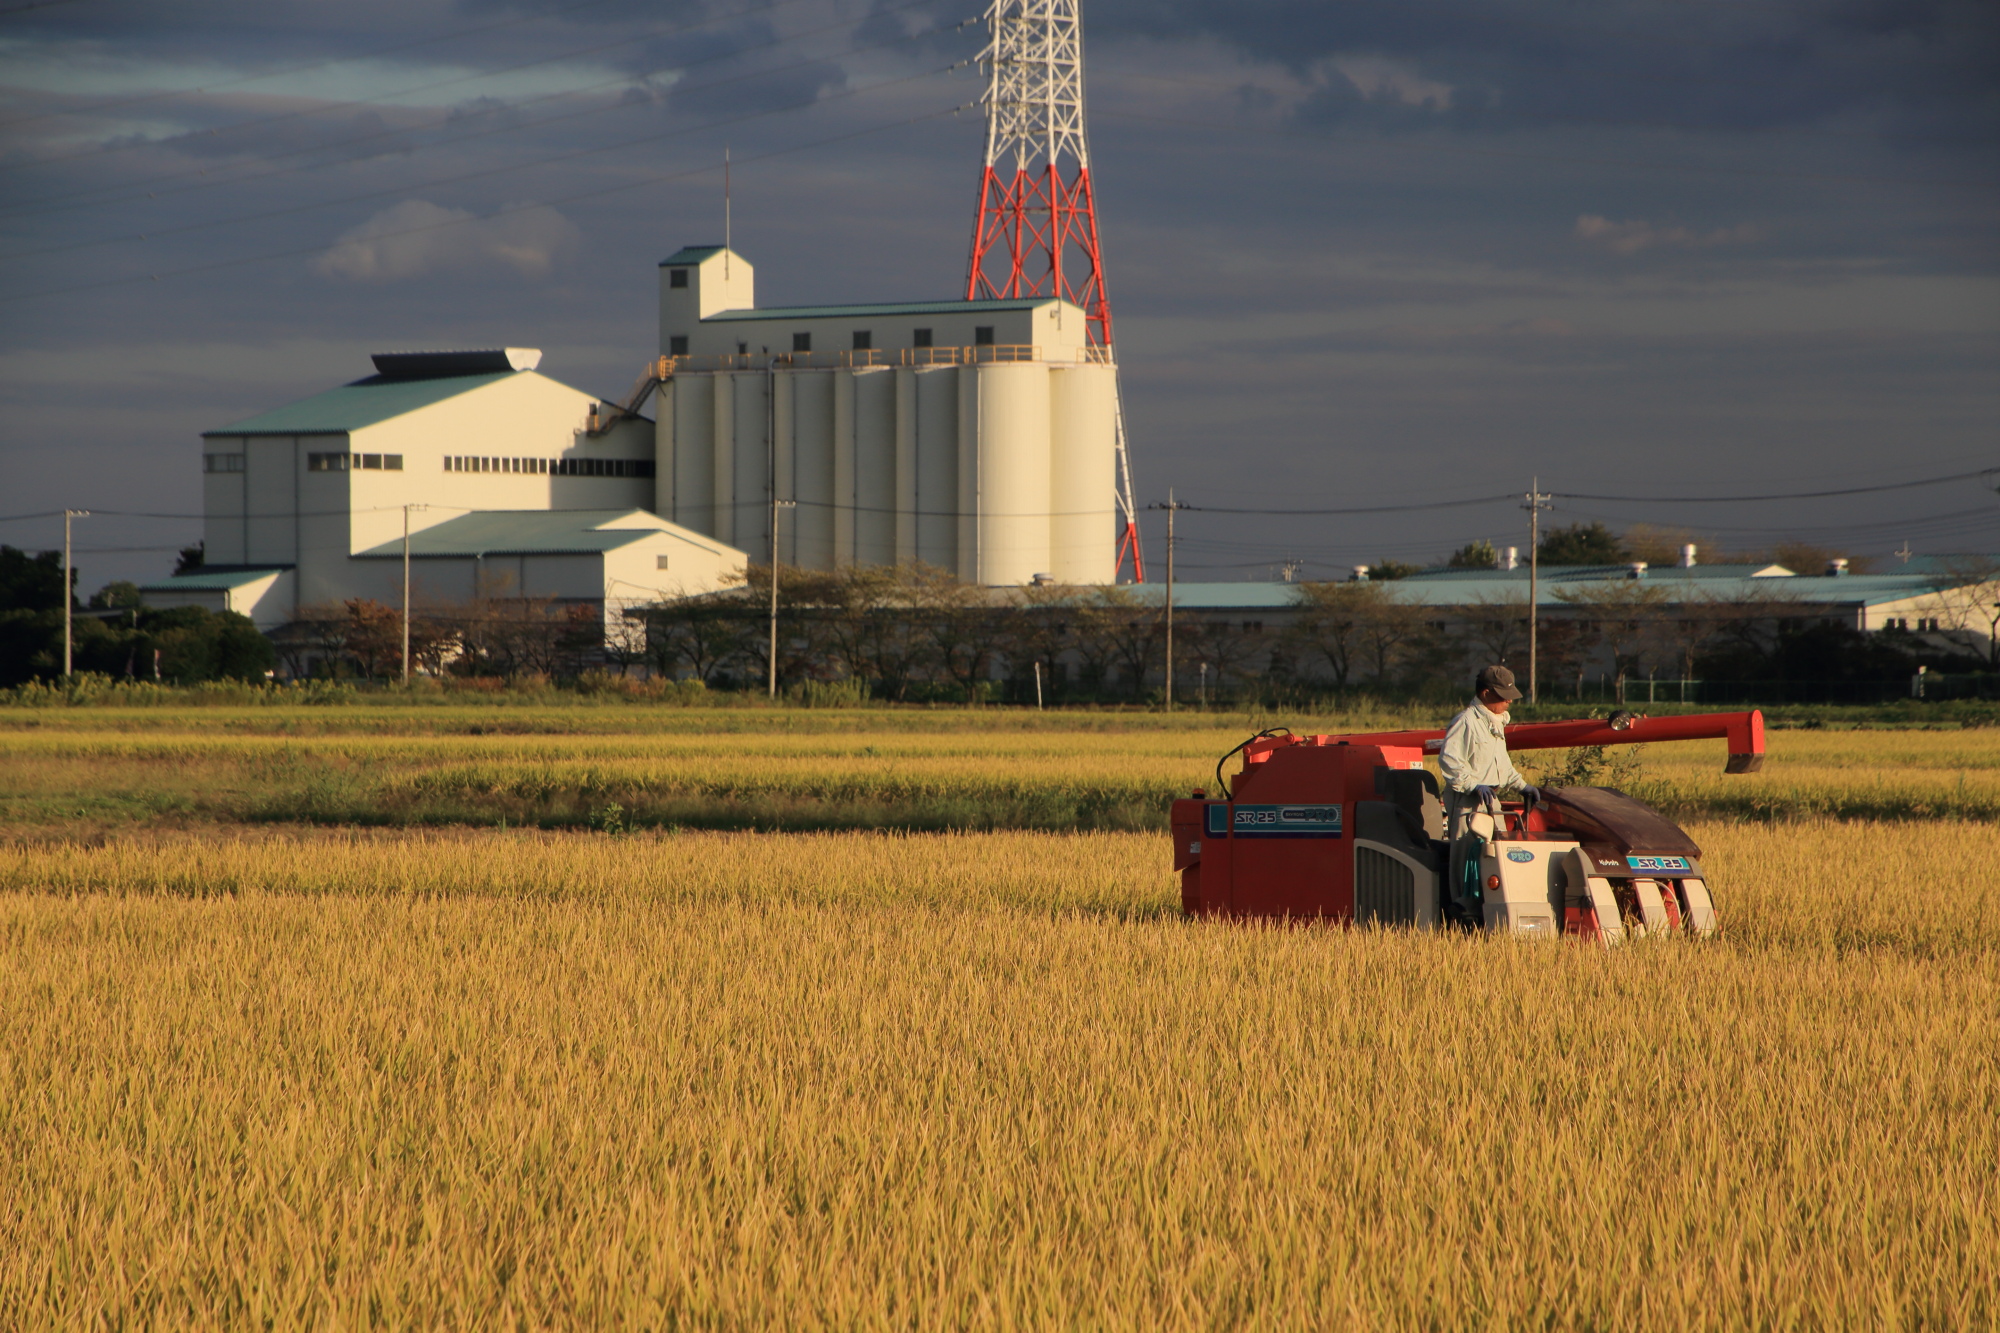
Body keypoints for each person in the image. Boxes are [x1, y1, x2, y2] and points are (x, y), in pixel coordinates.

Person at [1439, 664, 1541, 917]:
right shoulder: (1465, 722)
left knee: (1495, 861)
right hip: (1468, 802)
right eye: (1502, 695)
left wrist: (1522, 786)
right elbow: (1449, 762)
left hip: (1490, 801)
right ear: (1485, 694)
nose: (1509, 701)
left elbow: (1502, 764)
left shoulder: (1496, 723)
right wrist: (1474, 785)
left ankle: (1492, 913)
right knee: (1467, 865)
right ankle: (1463, 916)